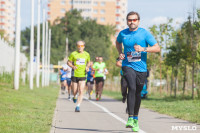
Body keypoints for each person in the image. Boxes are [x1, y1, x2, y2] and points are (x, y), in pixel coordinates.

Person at [116, 11, 160, 132]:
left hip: (141, 68)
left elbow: (157, 48)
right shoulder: (123, 33)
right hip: (127, 65)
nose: (132, 22)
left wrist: (143, 49)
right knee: (132, 87)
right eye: (130, 20)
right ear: (127, 21)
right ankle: (130, 118)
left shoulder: (144, 33)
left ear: (138, 21)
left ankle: (135, 118)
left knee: (138, 93)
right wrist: (120, 53)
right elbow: (118, 42)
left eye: (134, 20)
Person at [67, 40, 90, 112]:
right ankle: (74, 96)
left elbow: (88, 62)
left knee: (81, 90)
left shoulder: (87, 54)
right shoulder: (73, 54)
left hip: (83, 74)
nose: (80, 47)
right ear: (77, 46)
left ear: (84, 47)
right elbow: (68, 62)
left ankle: (78, 106)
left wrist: (87, 67)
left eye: (82, 46)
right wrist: (72, 66)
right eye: (78, 46)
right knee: (74, 91)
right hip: (75, 74)